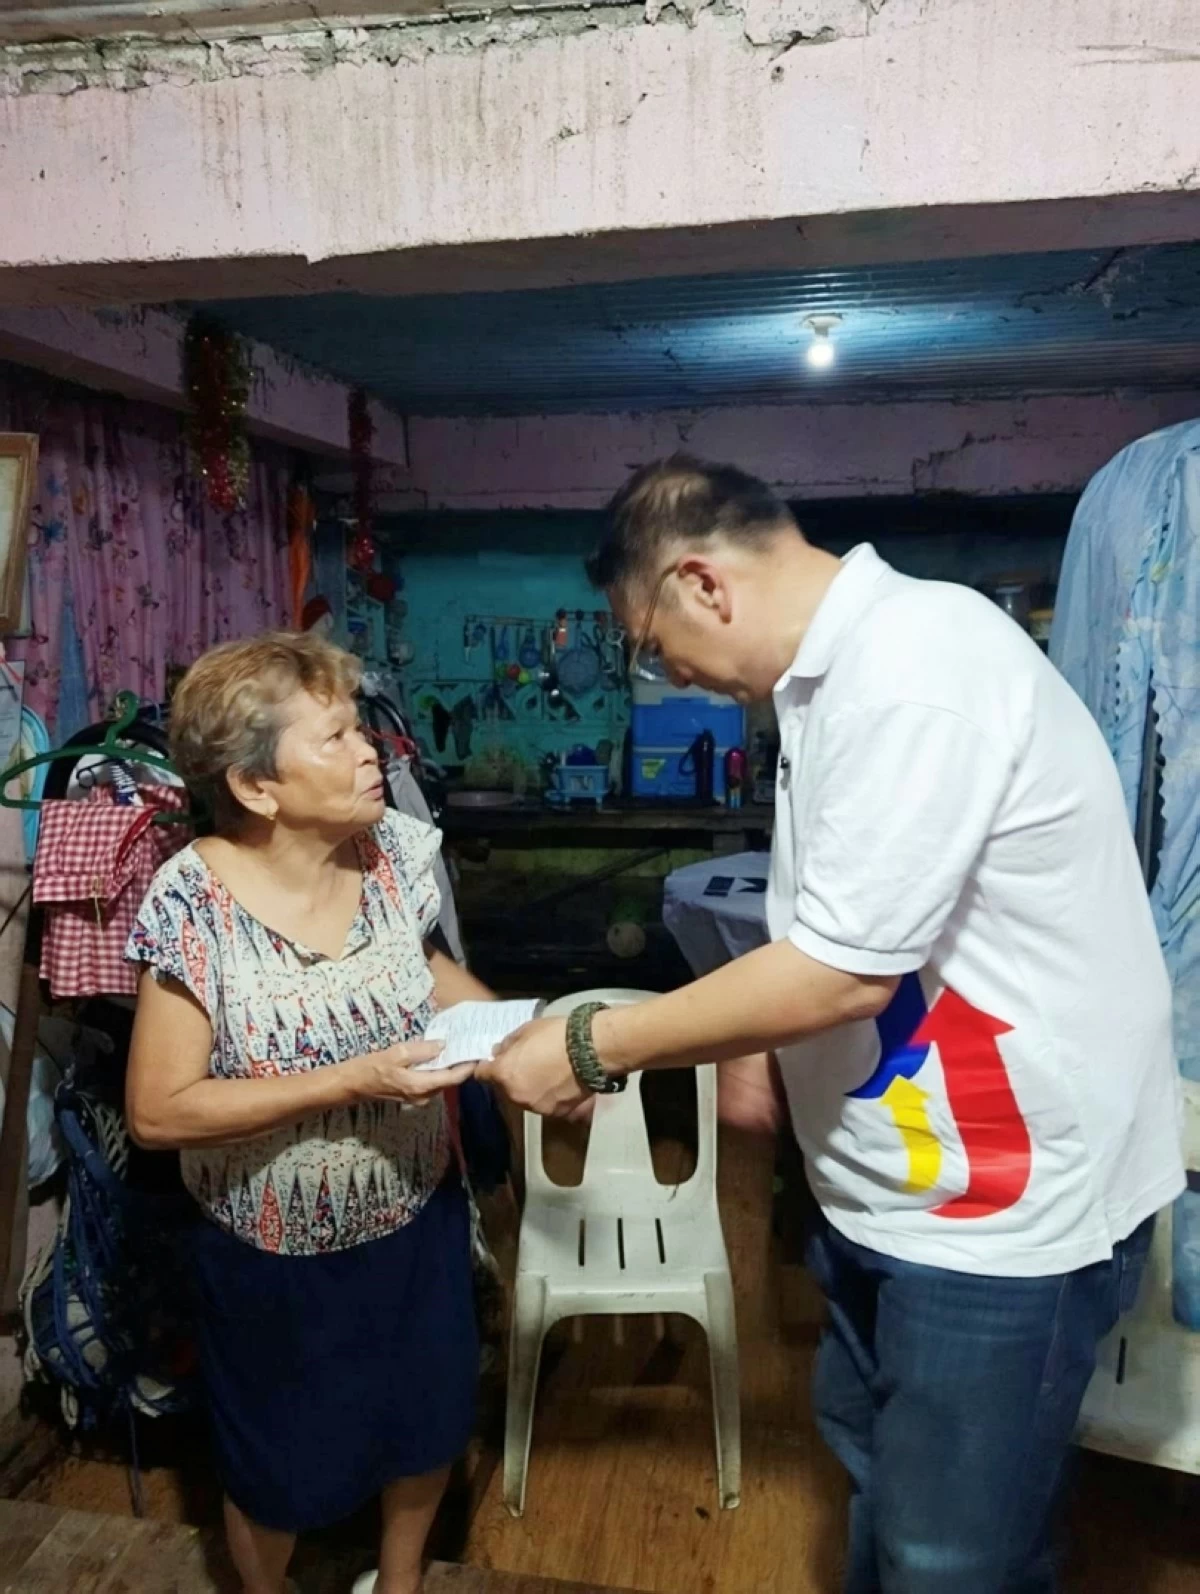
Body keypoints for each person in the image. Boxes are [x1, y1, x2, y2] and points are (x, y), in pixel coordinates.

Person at [479, 455, 1186, 1594]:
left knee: (954, 1555)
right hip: (901, 1182)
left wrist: (588, 1044)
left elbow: (848, 971)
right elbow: (849, 907)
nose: (677, 676)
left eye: (655, 647)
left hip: (1001, 1207)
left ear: (703, 583)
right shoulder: (829, 681)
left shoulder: (914, 668)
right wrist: (764, 1038)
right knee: (885, 1490)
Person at [125, 631, 491, 1594]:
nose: (370, 748)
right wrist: (348, 1081)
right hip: (272, 1252)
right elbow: (159, 1112)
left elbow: (432, 976)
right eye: (333, 737)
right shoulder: (193, 902)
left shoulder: (392, 854)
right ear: (256, 788)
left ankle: (400, 1582)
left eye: (359, 726)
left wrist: (518, 1039)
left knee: (426, 1418)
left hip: (416, 1211)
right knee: (280, 1466)